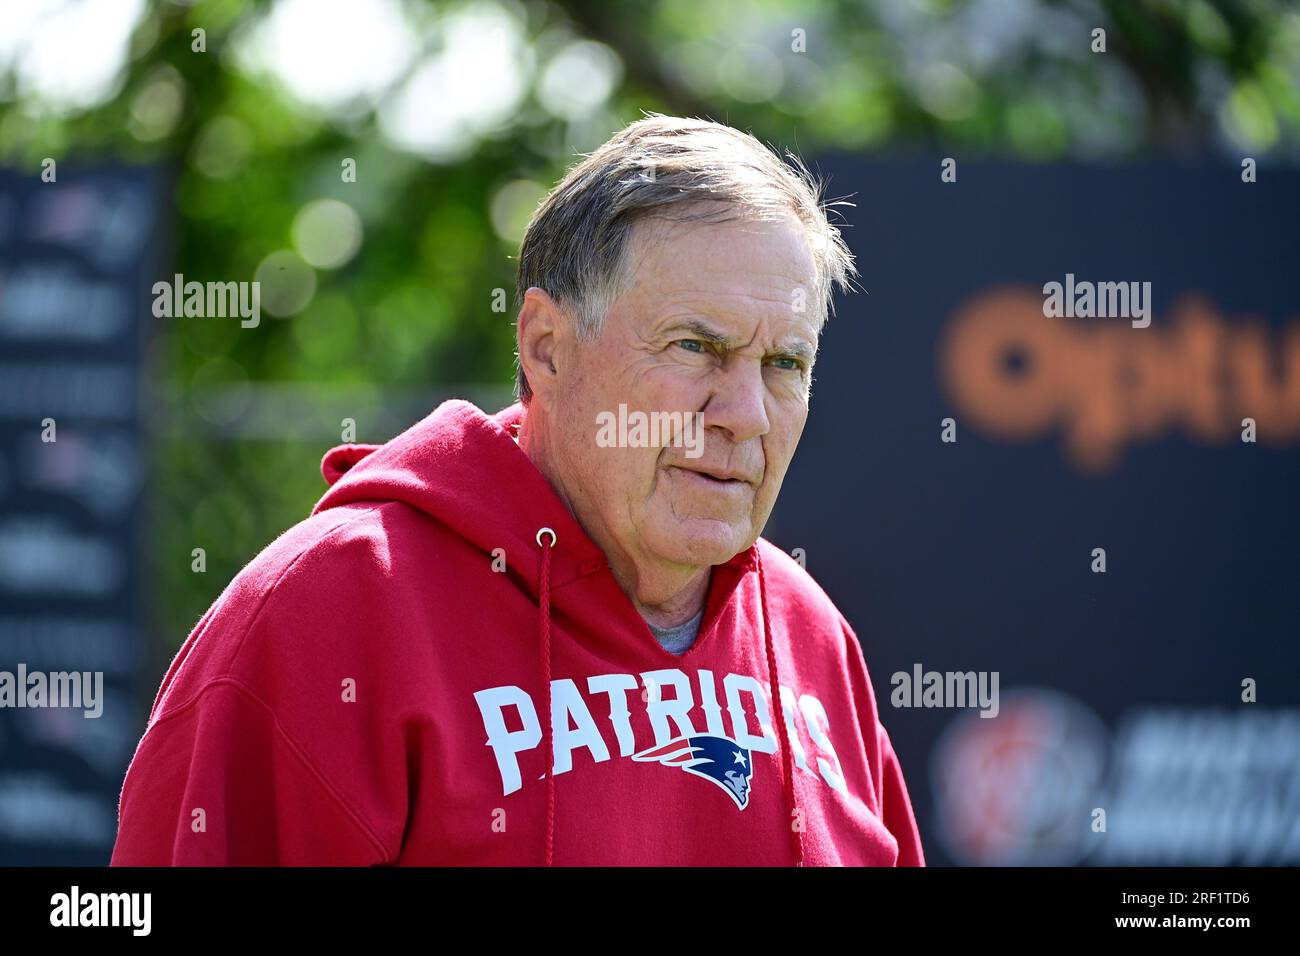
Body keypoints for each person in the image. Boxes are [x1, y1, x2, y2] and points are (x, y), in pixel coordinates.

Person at [111, 115, 925, 866]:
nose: (744, 415)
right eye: (695, 347)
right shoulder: (326, 615)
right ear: (546, 348)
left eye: (784, 363)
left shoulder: (810, 636)